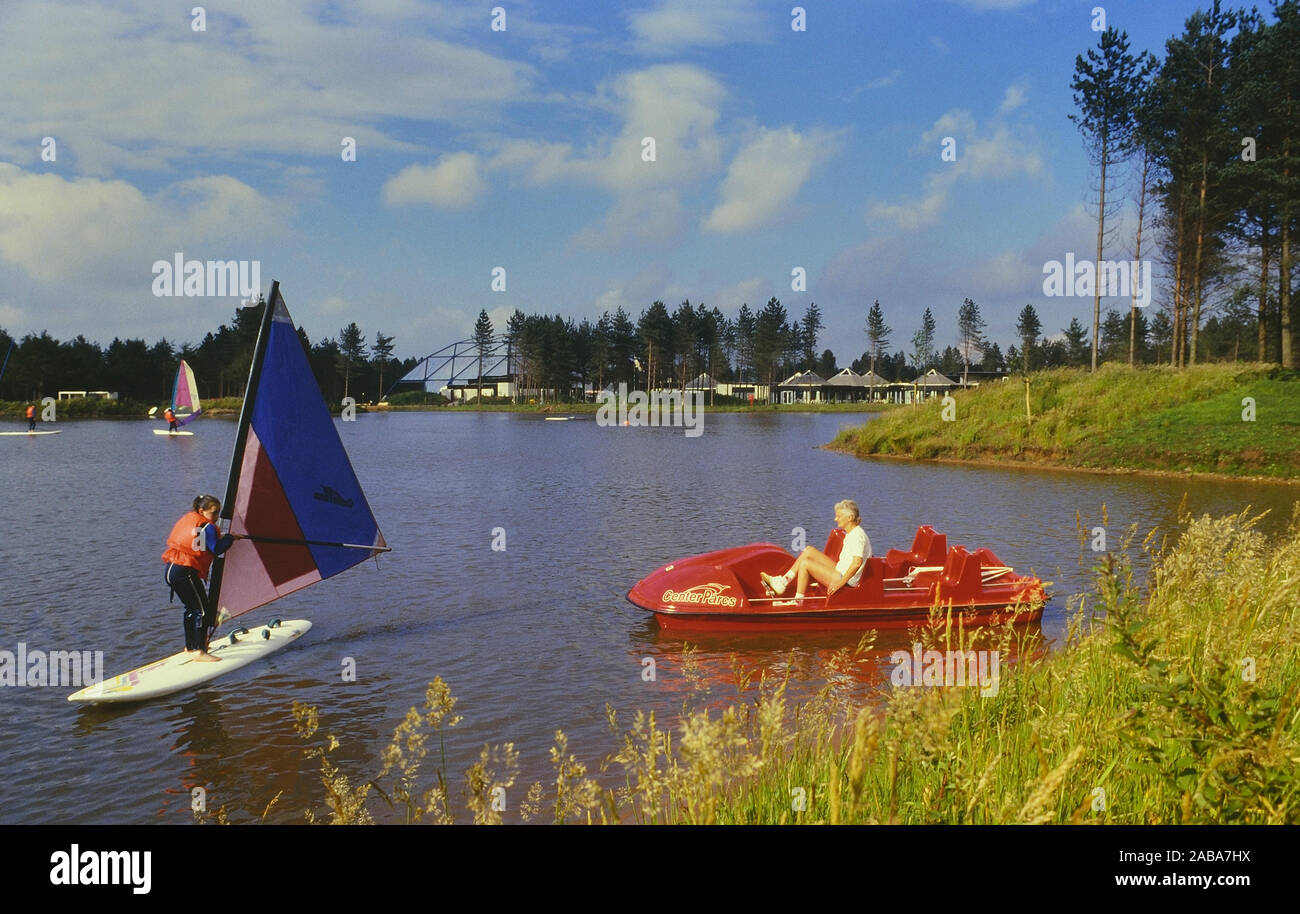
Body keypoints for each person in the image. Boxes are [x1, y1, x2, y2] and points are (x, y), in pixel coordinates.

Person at [162, 495, 241, 661]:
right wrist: (230, 538)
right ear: (201, 511)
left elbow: (203, 541)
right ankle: (200, 651)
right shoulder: (208, 527)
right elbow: (217, 548)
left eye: (218, 512)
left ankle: (190, 647)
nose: (217, 516)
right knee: (202, 611)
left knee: (191, 610)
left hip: (172, 571)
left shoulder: (191, 520)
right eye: (213, 513)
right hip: (185, 572)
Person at [760, 500, 871, 605]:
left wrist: (840, 583)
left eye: (839, 516)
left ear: (850, 518)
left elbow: (857, 563)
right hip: (840, 571)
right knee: (809, 551)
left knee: (806, 564)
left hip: (845, 580)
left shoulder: (857, 536)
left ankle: (798, 601)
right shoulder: (852, 533)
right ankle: (783, 582)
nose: (835, 519)